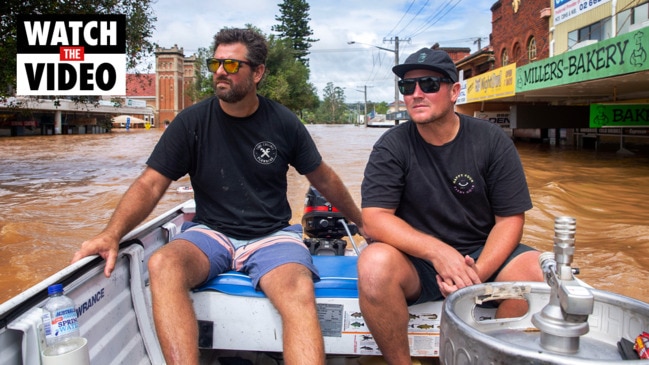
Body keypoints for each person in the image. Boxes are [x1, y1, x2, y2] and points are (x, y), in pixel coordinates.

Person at [72, 28, 363, 365]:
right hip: (211, 233)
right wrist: (112, 234)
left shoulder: (284, 123)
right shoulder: (191, 122)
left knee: (298, 290)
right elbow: (151, 184)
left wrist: (359, 219)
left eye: (232, 64)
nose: (220, 71)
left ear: (257, 73)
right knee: (162, 263)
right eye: (215, 63)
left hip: (271, 235)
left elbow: (322, 176)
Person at [357, 47, 543, 364]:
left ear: (454, 91)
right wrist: (436, 251)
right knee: (373, 265)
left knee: (537, 271)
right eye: (407, 86)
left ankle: (489, 356)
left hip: (482, 255)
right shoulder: (392, 146)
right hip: (417, 261)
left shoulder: (492, 140)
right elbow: (374, 219)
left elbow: (509, 219)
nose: (416, 94)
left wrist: (475, 274)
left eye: (429, 84)